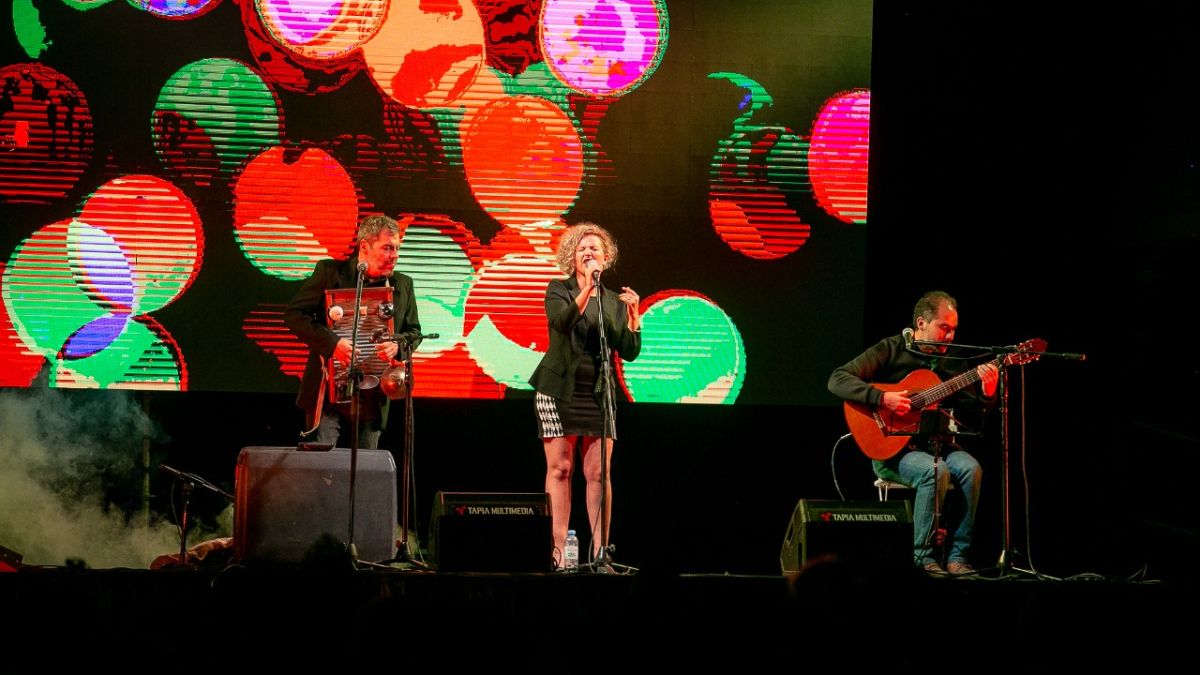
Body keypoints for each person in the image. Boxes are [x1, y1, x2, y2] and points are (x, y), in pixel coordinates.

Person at [827, 290, 998, 576]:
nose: (950, 336)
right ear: (921, 323)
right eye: (944, 328)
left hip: (937, 445)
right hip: (892, 452)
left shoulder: (953, 360)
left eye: (953, 329)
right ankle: (923, 557)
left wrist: (987, 394)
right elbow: (837, 379)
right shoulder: (891, 348)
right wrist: (883, 398)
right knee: (935, 471)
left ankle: (957, 557)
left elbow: (971, 412)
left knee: (971, 469)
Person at [528, 222, 642, 569]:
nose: (588, 253)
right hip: (558, 390)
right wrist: (587, 290)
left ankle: (600, 554)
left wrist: (634, 318)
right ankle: (558, 552)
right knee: (561, 468)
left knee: (598, 473)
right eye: (582, 249)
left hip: (599, 394)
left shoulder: (613, 301)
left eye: (594, 249)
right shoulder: (559, 289)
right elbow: (561, 323)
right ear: (572, 258)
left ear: (605, 259)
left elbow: (629, 351)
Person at [284, 215, 422, 450]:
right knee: (322, 465)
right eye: (387, 248)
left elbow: (414, 332)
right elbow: (295, 315)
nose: (394, 255)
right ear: (365, 247)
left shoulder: (403, 284)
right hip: (328, 393)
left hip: (373, 396)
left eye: (397, 248)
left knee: (366, 468)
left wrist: (397, 345)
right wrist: (333, 344)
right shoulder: (330, 273)